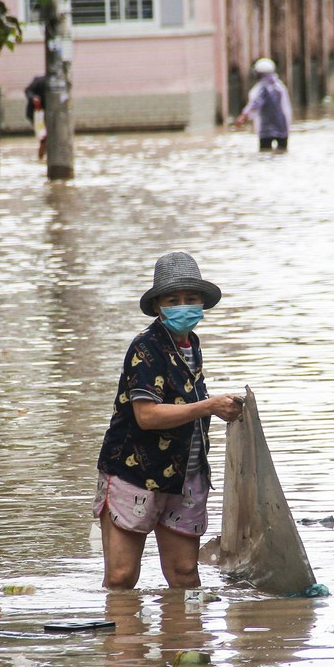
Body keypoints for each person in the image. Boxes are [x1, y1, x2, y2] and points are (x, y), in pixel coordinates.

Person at [95, 252, 244, 590]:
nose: (183, 306)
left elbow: (185, 402)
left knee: (185, 575)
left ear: (202, 304)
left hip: (185, 475)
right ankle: (123, 640)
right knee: (121, 578)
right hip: (135, 474)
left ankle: (182, 638)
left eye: (191, 299)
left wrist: (218, 406)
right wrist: (209, 406)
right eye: (173, 300)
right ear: (158, 306)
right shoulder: (145, 348)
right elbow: (146, 416)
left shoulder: (190, 345)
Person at [235, 58, 292, 151]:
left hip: (266, 129)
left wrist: (243, 116)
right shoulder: (280, 86)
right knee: (282, 151)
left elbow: (256, 104)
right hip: (282, 127)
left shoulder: (261, 88)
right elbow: (286, 108)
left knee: (265, 152)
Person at [24, 75, 48, 160]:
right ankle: (41, 158)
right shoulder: (39, 81)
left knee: (45, 139)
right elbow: (28, 91)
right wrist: (33, 98)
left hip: (48, 115)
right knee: (43, 138)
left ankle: (42, 159)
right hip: (38, 115)